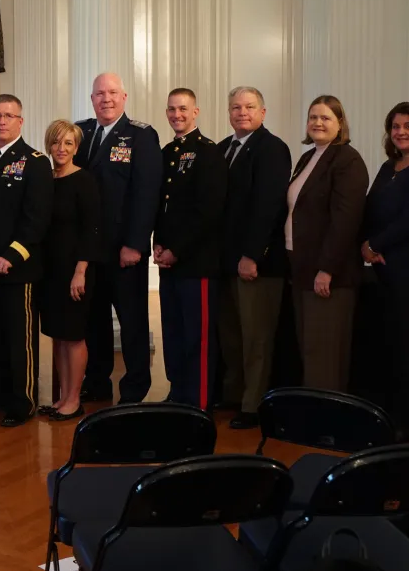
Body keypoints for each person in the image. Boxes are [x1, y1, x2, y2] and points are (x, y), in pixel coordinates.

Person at [75, 72, 162, 404]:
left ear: (124, 97)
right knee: (94, 321)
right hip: (90, 251)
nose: (106, 99)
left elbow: (146, 194)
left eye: (112, 92)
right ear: (92, 99)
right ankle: (96, 383)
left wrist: (135, 244)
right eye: (99, 93)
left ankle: (134, 388)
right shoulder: (80, 132)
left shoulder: (140, 136)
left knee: (132, 323)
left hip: (123, 249)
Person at [0, 93, 52, 427]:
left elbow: (37, 218)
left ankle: (23, 400)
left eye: (9, 115)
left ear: (21, 121)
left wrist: (11, 255)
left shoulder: (34, 161)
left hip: (19, 268)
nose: (2, 121)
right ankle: (0, 394)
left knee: (20, 339)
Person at [217, 86, 292, 429]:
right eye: (236, 107)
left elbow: (268, 207)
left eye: (249, 107)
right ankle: (234, 393)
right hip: (225, 260)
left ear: (263, 112)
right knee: (232, 333)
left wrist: (251, 256)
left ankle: (253, 404)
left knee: (256, 336)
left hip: (257, 263)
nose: (242, 112)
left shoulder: (273, 149)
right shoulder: (222, 149)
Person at [286, 95, 368, 393]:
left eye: (325, 118)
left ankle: (327, 422)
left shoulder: (348, 160)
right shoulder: (308, 157)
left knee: (325, 353)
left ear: (340, 123)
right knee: (309, 348)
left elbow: (345, 221)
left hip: (329, 274)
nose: (317, 123)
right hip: (303, 269)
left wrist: (327, 269)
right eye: (313, 117)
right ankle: (313, 413)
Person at [154, 88, 228, 409]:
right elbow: (161, 206)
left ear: (195, 112)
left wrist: (177, 250)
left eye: (183, 109)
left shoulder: (208, 152)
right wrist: (157, 243)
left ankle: (198, 403)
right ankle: (178, 393)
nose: (177, 115)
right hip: (168, 261)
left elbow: (208, 212)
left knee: (197, 337)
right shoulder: (167, 151)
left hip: (195, 262)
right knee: (173, 333)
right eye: (172, 109)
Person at [36, 119, 102, 421]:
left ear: (76, 148)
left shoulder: (84, 180)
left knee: (74, 336)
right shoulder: (45, 179)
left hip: (75, 270)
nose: (61, 149)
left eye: (68, 143)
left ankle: (75, 399)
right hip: (49, 271)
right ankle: (62, 396)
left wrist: (81, 271)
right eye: (56, 142)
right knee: (59, 336)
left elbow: (92, 229)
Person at [362, 102, 409, 432]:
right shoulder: (386, 167)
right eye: (395, 126)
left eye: (407, 126)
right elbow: (368, 209)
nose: (401, 132)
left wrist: (374, 245)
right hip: (380, 271)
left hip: (405, 269)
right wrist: (364, 243)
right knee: (388, 344)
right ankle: (389, 413)